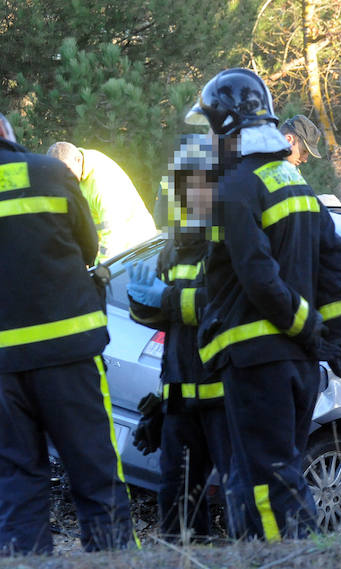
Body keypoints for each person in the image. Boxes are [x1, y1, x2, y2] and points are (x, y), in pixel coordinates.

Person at [0, 105, 137, 555]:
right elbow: (88, 246)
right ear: (4, 130)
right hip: (70, 357)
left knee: (17, 489)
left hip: (1, 369)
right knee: (96, 476)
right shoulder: (50, 172)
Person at [183, 68, 341, 541]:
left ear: (225, 126)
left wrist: (306, 327)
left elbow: (258, 276)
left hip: (259, 363)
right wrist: (334, 336)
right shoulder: (294, 182)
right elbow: (337, 260)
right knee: (279, 475)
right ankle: (304, 554)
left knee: (264, 485)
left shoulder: (238, 188)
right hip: (297, 367)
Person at [127, 133, 230, 542]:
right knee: (176, 503)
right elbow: (162, 315)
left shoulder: (224, 244)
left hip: (225, 399)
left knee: (244, 498)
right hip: (180, 401)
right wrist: (142, 300)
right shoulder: (174, 247)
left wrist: (166, 298)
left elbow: (223, 308)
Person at [47, 141, 157, 263]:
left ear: (78, 160)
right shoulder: (74, 169)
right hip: (118, 253)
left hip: (135, 249)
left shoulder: (101, 180)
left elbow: (113, 232)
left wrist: (101, 268)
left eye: (67, 172)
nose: (63, 178)